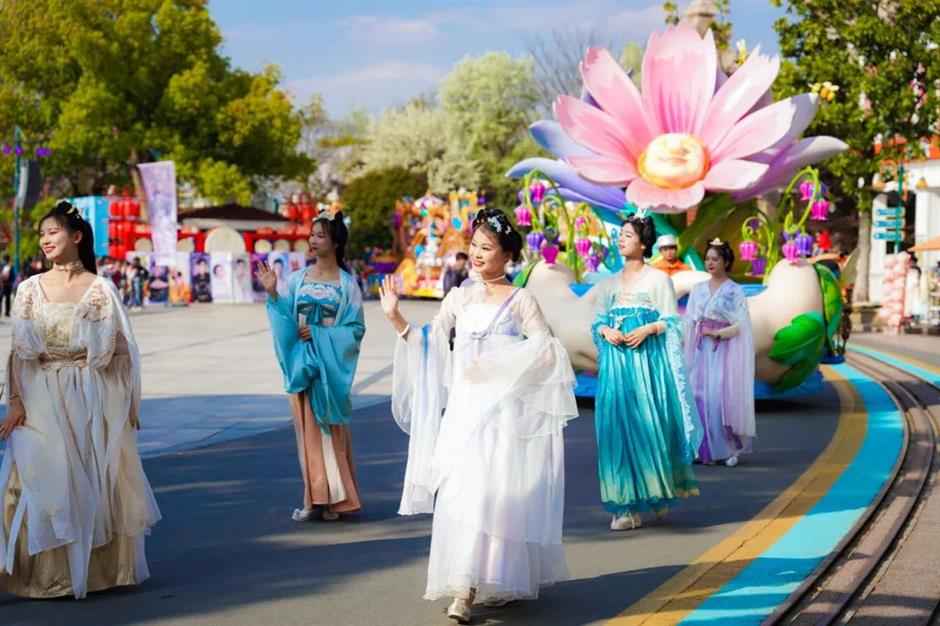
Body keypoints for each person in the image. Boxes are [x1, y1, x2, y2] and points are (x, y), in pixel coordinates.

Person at [380, 208, 578, 623]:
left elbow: (548, 351)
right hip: (464, 416)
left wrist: (496, 367)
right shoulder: (458, 298)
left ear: (507, 255)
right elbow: (430, 343)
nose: (477, 253)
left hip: (504, 418)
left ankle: (492, 579)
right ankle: (463, 587)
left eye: (487, 248)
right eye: (474, 245)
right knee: (461, 494)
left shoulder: (521, 300)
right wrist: (395, 316)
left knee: (496, 496)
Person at [0, 200, 160, 599]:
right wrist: (16, 402)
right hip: (41, 393)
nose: (44, 240)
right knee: (35, 479)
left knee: (91, 479)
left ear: (76, 237)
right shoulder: (28, 289)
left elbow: (122, 352)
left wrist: (129, 406)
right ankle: (41, 575)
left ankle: (94, 573)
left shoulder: (102, 289)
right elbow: (19, 352)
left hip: (91, 394)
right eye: (41, 234)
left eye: (52, 232)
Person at [592, 215, 701, 531]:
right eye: (620, 235)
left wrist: (649, 328)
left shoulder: (657, 280)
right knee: (616, 432)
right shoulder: (609, 283)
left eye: (627, 235)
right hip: (616, 369)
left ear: (643, 243)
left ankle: (655, 490)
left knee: (649, 427)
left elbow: (672, 321)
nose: (621, 239)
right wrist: (604, 331)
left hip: (647, 369)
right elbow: (597, 321)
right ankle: (625, 507)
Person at [258, 211, 364, 522]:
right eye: (312, 235)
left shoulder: (348, 285)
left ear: (335, 241)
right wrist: (273, 292)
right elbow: (285, 319)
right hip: (302, 364)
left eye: (320, 235)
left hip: (329, 370)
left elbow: (355, 329)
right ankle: (314, 498)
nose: (313, 240)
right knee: (306, 436)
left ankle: (336, 499)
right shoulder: (297, 279)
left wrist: (320, 334)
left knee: (330, 434)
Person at [683, 238, 756, 467]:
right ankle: (699, 448)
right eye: (707, 259)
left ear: (726, 262)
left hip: (722, 351)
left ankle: (725, 449)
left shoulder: (734, 291)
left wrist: (719, 334)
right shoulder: (698, 289)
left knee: (718, 398)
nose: (710, 263)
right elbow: (689, 320)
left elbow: (743, 324)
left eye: (715, 259)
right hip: (699, 349)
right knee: (696, 396)